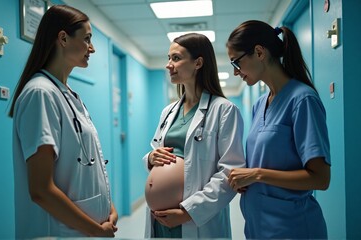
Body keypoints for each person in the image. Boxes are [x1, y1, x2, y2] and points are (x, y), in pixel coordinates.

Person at [9, 5, 118, 238]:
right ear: (63, 38)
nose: (93, 48)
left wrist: (108, 207)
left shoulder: (66, 94)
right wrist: (96, 230)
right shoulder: (40, 93)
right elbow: (41, 190)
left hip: (85, 230)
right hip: (58, 233)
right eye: (87, 39)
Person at [226, 20, 331, 239]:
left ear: (259, 52)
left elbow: (320, 179)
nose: (236, 72)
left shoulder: (303, 100)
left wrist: (256, 175)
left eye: (236, 63)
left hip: (293, 228)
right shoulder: (259, 104)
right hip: (259, 227)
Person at [142, 33, 246, 238]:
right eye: (168, 58)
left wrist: (188, 212)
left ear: (198, 62)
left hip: (197, 220)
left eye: (176, 58)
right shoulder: (168, 112)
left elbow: (230, 172)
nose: (168, 65)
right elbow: (158, 152)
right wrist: (151, 158)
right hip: (160, 221)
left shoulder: (224, 110)